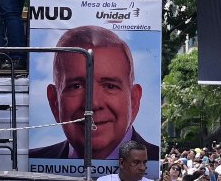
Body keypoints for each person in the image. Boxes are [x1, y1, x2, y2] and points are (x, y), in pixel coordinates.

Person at [31, 26, 158, 160]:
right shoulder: (35, 162)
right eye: (76, 86)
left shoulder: (155, 162)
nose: (93, 104)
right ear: (54, 102)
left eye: (110, 86)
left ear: (134, 101)